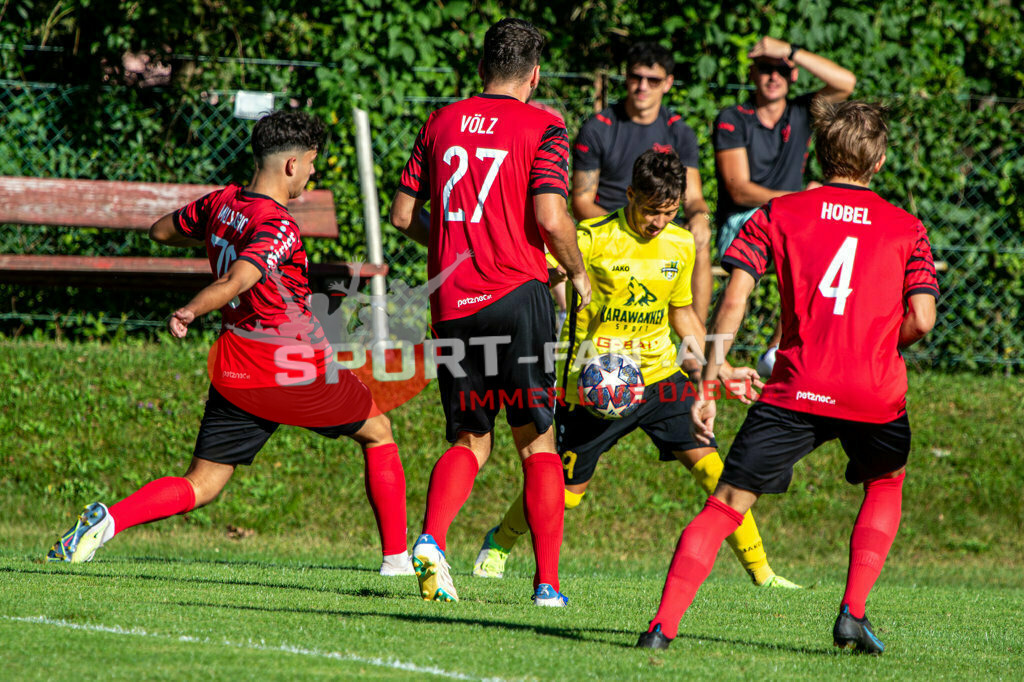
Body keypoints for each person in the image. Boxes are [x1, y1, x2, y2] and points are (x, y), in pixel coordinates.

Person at [46, 110, 414, 577]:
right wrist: (193, 308)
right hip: (292, 363)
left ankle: (108, 522)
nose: (313, 172)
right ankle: (397, 561)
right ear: (290, 165)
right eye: (312, 163)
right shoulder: (278, 225)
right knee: (378, 433)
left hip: (239, 366)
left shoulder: (222, 203)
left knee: (201, 484)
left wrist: (217, 239)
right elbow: (240, 278)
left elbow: (160, 230)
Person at [637, 99, 939, 654]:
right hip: (873, 391)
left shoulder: (780, 213)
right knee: (885, 481)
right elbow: (922, 318)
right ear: (879, 161)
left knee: (726, 503)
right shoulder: (907, 228)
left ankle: (662, 627)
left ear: (819, 155)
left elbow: (733, 303)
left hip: (797, 382)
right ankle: (852, 611)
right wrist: (874, 343)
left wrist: (707, 383)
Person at [471, 149, 799, 591]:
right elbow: (539, 278)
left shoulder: (681, 244)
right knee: (566, 493)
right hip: (595, 388)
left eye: (667, 213)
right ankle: (500, 541)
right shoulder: (590, 238)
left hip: (660, 377)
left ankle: (763, 574)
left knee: (713, 470)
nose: (658, 222)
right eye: (650, 211)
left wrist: (717, 369)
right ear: (629, 196)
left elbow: (682, 316)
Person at [390, 18, 591, 606]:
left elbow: (404, 216)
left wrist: (450, 249)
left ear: (482, 69)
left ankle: (430, 538)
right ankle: (547, 585)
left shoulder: (441, 121)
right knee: (538, 444)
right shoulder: (545, 124)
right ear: (534, 74)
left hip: (453, 305)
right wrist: (575, 270)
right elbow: (552, 218)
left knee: (471, 436)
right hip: (517, 298)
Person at [714, 36, 856, 374]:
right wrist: (800, 199)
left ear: (792, 76)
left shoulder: (801, 112)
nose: (773, 77)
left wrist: (791, 51)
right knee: (750, 279)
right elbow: (739, 190)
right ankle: (716, 357)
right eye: (766, 69)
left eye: (781, 69)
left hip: (793, 220)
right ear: (753, 74)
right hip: (742, 220)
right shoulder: (733, 118)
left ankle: (778, 350)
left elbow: (846, 82)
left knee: (825, 254)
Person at [572, 41, 713, 322]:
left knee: (699, 240)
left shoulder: (679, 131)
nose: (643, 86)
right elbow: (581, 202)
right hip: (611, 225)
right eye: (636, 77)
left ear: (668, 83)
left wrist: (699, 217)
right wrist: (628, 226)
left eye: (653, 79)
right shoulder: (598, 128)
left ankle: (696, 350)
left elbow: (693, 196)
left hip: (659, 224)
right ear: (626, 78)